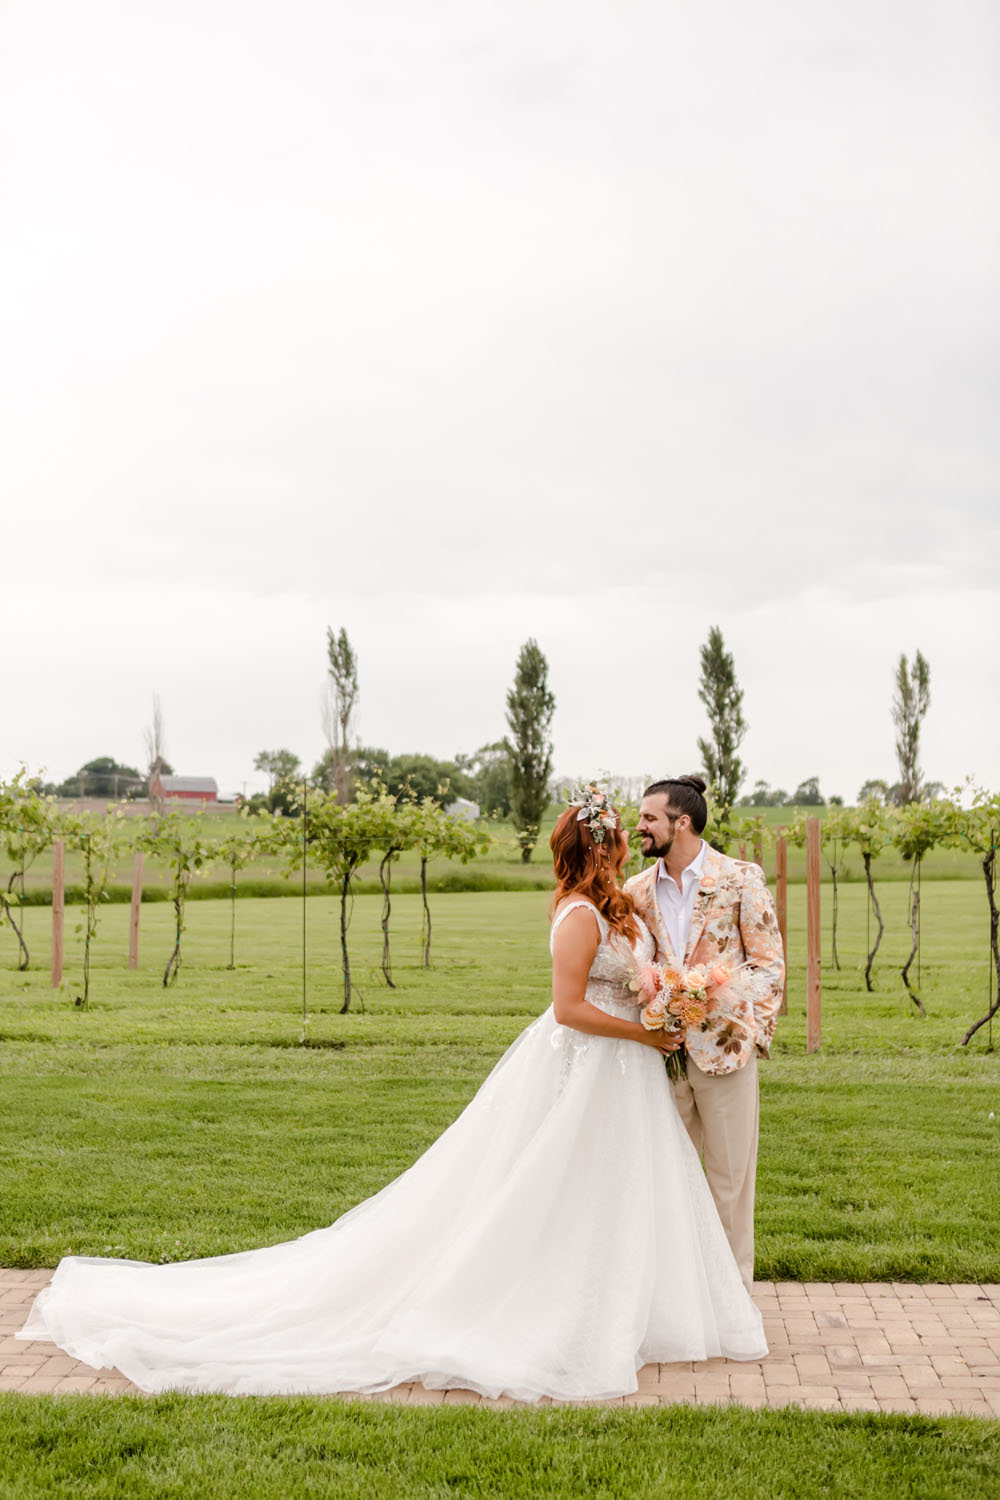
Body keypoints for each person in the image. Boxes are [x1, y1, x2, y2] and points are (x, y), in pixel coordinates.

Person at [18, 786, 766, 1402]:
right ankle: (557, 1307)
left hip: (626, 1074)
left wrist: (673, 1000)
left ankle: (628, 1304)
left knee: (621, 1192)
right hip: (595, 1063)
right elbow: (569, 1008)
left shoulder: (622, 905)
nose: (629, 843)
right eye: (616, 838)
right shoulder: (578, 915)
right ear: (595, 850)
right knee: (554, 1188)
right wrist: (647, 1033)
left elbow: (659, 969)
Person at [625, 776, 784, 1291]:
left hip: (726, 1053)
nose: (640, 826)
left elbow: (768, 966)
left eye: (649, 818)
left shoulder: (740, 878)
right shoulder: (635, 891)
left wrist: (746, 1027)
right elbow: (635, 966)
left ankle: (732, 1298)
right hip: (660, 1052)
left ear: (682, 822)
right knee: (667, 1179)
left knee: (730, 1182)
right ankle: (675, 1296)